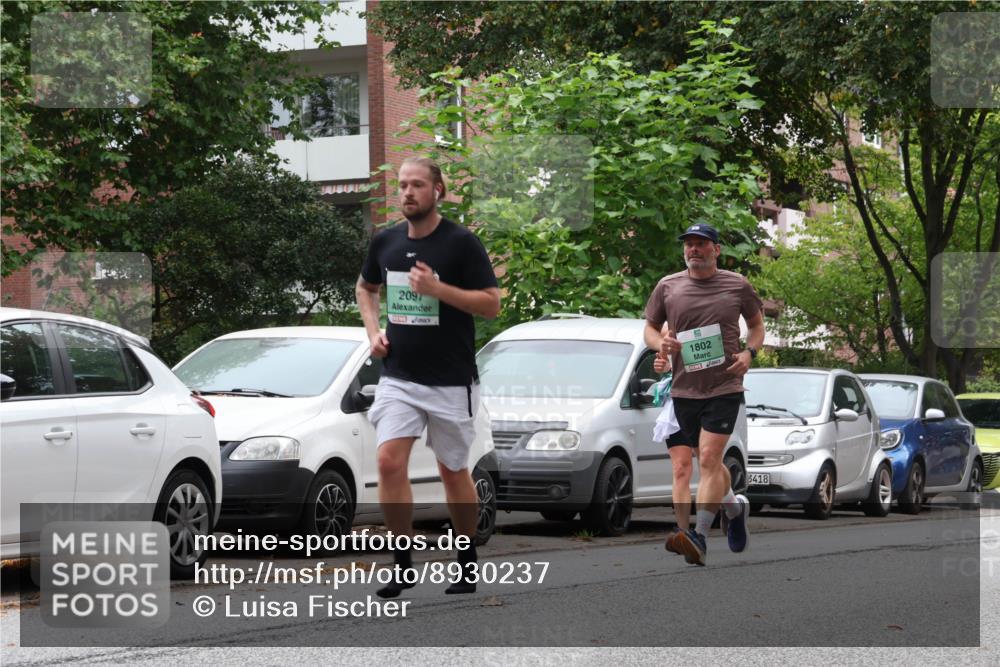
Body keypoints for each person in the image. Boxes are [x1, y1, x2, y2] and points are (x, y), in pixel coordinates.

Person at [356, 157, 501, 597]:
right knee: (387, 462)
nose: (407, 193)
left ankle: (466, 559)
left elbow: (492, 304)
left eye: (417, 185)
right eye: (402, 185)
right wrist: (373, 332)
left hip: (451, 380)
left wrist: (440, 291)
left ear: (437, 190)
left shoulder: (461, 244)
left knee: (452, 470)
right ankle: (402, 564)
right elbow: (366, 287)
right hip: (400, 376)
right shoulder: (386, 242)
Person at [644, 223, 765, 566]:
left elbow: (757, 327)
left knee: (709, 460)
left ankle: (699, 535)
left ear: (716, 250)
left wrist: (748, 354)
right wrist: (661, 344)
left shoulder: (737, 284)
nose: (694, 249)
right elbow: (650, 330)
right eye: (689, 245)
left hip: (725, 385)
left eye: (701, 244)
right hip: (684, 389)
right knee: (705, 461)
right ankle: (734, 507)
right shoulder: (668, 286)